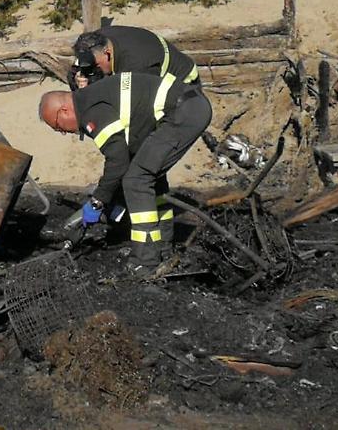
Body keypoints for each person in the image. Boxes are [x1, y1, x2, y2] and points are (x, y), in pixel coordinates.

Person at [39, 69, 212, 276]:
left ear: (64, 110)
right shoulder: (92, 98)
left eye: (58, 127)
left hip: (182, 111)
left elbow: (118, 160)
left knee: (137, 180)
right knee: (149, 177)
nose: (64, 132)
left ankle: (145, 263)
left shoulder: (90, 111)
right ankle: (163, 249)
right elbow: (128, 154)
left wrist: (98, 201)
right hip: (189, 105)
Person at [69, 25, 198, 90]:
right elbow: (78, 67)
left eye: (96, 66)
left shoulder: (135, 66)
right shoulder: (96, 41)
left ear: (107, 54)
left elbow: (134, 107)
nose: (93, 69)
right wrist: (77, 77)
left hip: (182, 82)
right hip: (148, 58)